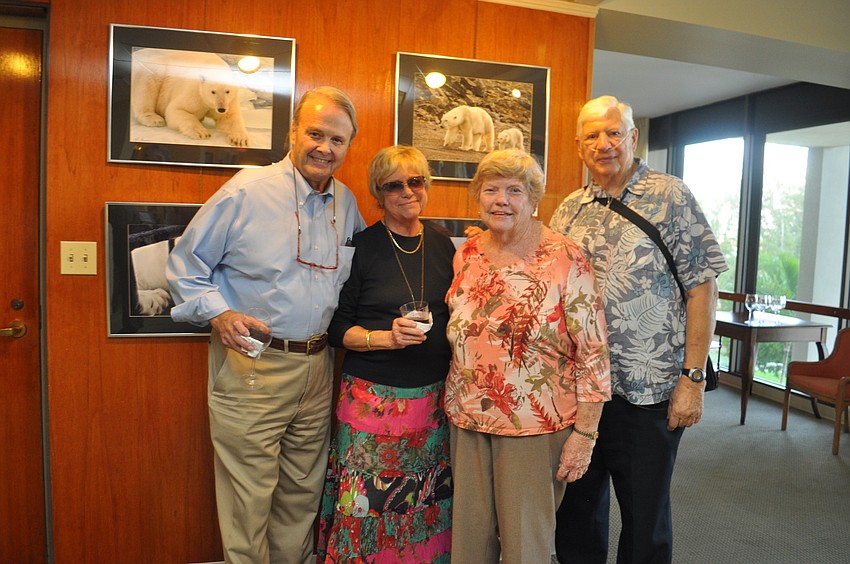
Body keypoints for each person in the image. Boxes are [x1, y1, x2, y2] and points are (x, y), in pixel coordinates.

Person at [166, 86, 366, 564]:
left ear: (348, 146)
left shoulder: (347, 202)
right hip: (255, 363)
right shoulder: (247, 190)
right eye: (315, 133)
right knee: (248, 500)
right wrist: (221, 313)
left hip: (318, 368)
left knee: (302, 495)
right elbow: (184, 265)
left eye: (337, 139)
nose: (325, 147)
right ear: (293, 132)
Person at [550, 95, 729, 564]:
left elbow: (703, 289)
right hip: (583, 394)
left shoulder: (672, 196)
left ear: (633, 137)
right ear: (578, 145)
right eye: (592, 135)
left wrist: (691, 380)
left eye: (614, 132)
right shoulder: (569, 208)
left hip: (649, 392)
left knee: (644, 521)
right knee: (576, 515)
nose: (603, 144)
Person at [445, 148, 611, 564]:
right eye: (491, 189)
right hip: (467, 419)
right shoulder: (466, 254)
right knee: (469, 544)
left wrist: (586, 436)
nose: (501, 199)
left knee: (526, 548)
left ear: (534, 199)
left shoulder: (566, 257)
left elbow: (593, 352)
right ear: (478, 197)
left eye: (514, 190)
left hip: (533, 426)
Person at [316, 145, 456, 562]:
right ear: (379, 194)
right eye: (394, 185)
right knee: (370, 507)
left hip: (432, 403)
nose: (407, 191)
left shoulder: (444, 245)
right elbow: (338, 330)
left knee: (423, 504)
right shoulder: (361, 247)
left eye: (416, 181)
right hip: (372, 404)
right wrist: (386, 338)